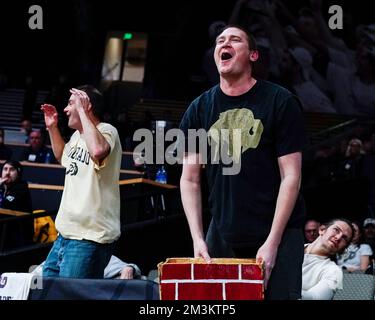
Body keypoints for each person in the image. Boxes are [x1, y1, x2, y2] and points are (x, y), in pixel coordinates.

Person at [179, 25, 306, 300]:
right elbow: (189, 179)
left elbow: (291, 177)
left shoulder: (280, 101)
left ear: (253, 56)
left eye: (235, 40)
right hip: (223, 231)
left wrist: (272, 242)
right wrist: (198, 239)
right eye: (220, 40)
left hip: (278, 232)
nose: (225, 43)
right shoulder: (199, 108)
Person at [40, 85, 122, 278]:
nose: (66, 109)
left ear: (86, 105)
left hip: (88, 239)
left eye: (70, 104)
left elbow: (98, 151)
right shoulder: (78, 136)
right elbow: (63, 157)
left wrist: (84, 112)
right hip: (65, 236)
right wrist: (52, 127)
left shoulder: (107, 131)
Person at [302, 218, 354, 300]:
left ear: (343, 249)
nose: (338, 237)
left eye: (344, 238)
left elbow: (316, 297)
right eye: (336, 230)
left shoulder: (333, 271)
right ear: (322, 230)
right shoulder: (291, 248)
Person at [0, 160, 33, 249]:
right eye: (5, 169)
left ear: (18, 173)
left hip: (18, 235)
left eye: (11, 170)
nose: (7, 173)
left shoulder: (21, 187)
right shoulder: (3, 187)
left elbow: (5, 204)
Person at [32, 255, 141, 280]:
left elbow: (130, 267)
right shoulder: (57, 257)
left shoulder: (95, 256)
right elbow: (32, 278)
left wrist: (129, 268)